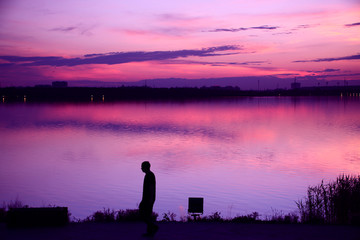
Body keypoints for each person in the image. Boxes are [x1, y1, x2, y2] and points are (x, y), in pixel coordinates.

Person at [139, 161, 158, 237]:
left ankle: (153, 227)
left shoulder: (149, 175)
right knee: (147, 215)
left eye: (142, 167)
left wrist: (150, 199)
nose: (141, 168)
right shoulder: (149, 175)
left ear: (145, 167)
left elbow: (151, 188)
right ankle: (150, 232)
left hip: (148, 198)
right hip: (147, 198)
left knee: (143, 214)